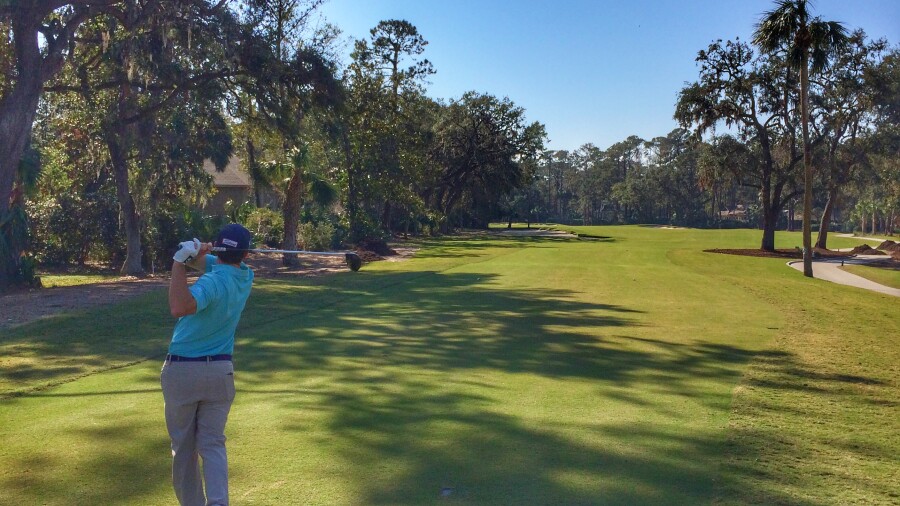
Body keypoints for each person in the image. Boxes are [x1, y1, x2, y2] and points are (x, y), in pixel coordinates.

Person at [161, 223, 254, 506]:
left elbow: (179, 307)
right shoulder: (245, 275)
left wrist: (179, 262)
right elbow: (208, 262)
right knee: (212, 444)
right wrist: (195, 252)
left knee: (184, 448)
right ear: (245, 255)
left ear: (219, 248)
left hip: (183, 371)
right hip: (220, 373)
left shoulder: (212, 282)